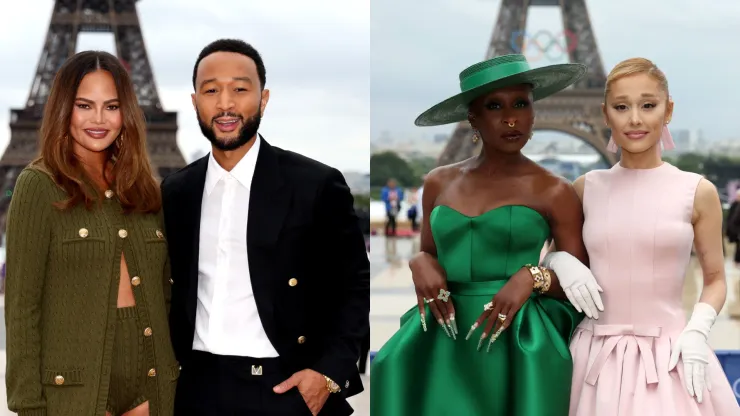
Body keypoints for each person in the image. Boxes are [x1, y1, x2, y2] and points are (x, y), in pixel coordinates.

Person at [370, 54, 605, 416]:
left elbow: (579, 288)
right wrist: (419, 261)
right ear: (472, 118)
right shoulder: (438, 181)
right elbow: (429, 253)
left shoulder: (554, 191)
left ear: (533, 111)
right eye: (494, 106)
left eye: (521, 104)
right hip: (442, 337)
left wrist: (533, 277)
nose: (511, 118)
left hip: (516, 340)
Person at [160, 39, 369, 416]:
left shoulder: (315, 185)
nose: (225, 104)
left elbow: (354, 283)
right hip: (196, 390)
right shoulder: (176, 193)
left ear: (264, 98)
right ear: (195, 102)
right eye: (211, 91)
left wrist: (328, 374)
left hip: (286, 388)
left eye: (240, 89)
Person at [558, 58, 740, 415]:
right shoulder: (584, 189)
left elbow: (716, 279)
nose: (635, 119)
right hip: (590, 360)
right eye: (622, 107)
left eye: (648, 105)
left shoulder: (697, 191)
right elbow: (549, 261)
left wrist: (697, 330)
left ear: (668, 109)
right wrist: (558, 259)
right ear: (605, 113)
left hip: (671, 355)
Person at [4, 51, 177, 415]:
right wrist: (27, 405)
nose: (98, 119)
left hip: (152, 375)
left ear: (126, 112)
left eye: (111, 106)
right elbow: (22, 309)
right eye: (84, 105)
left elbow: (166, 295)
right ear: (64, 108)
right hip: (74, 386)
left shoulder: (146, 190)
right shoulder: (38, 187)